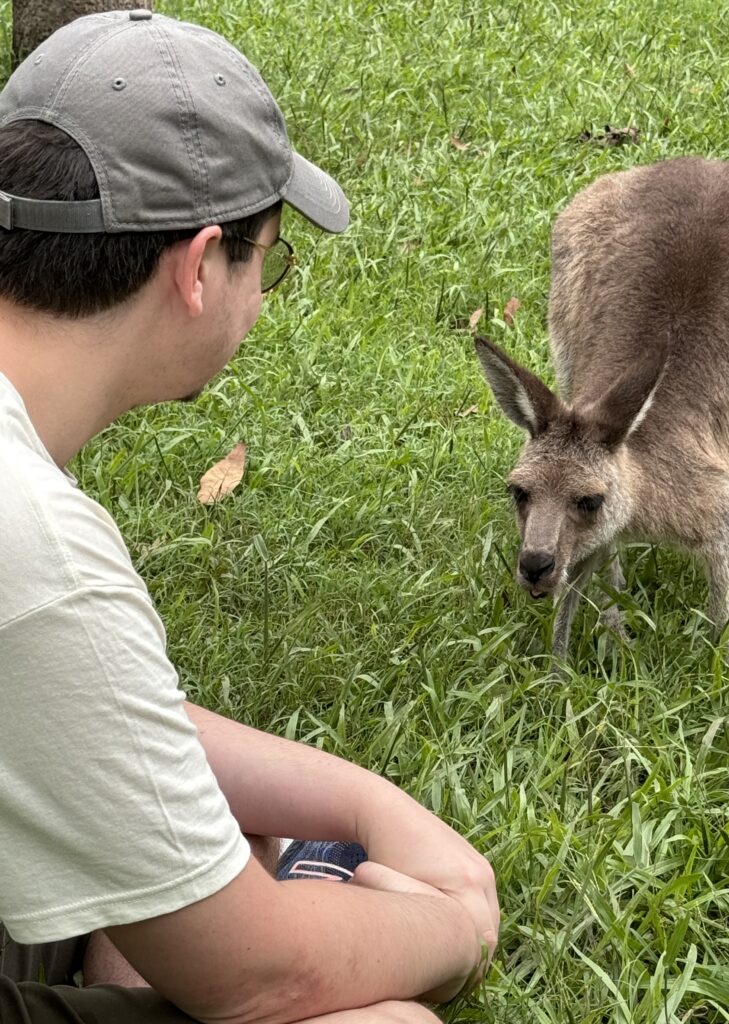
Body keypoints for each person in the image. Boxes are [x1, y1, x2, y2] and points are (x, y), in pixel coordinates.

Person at [0, 10, 499, 1024]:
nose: (261, 299)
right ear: (197, 266)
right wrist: (457, 920)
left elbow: (89, 719)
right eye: (266, 262)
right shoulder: (37, 543)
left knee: (223, 838)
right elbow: (269, 977)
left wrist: (362, 802)